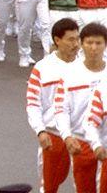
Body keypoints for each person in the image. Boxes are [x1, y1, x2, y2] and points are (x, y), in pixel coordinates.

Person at [26, 17, 80, 193]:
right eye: (71, 39)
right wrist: (40, 131)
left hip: (84, 137)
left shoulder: (87, 66)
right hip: (53, 136)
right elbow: (33, 104)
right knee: (49, 186)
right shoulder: (42, 68)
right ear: (57, 40)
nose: (76, 44)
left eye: (77, 39)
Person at [54, 23, 107, 192]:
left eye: (98, 43)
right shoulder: (69, 74)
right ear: (81, 44)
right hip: (81, 142)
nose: (94, 48)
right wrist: (67, 136)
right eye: (89, 43)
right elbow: (61, 109)